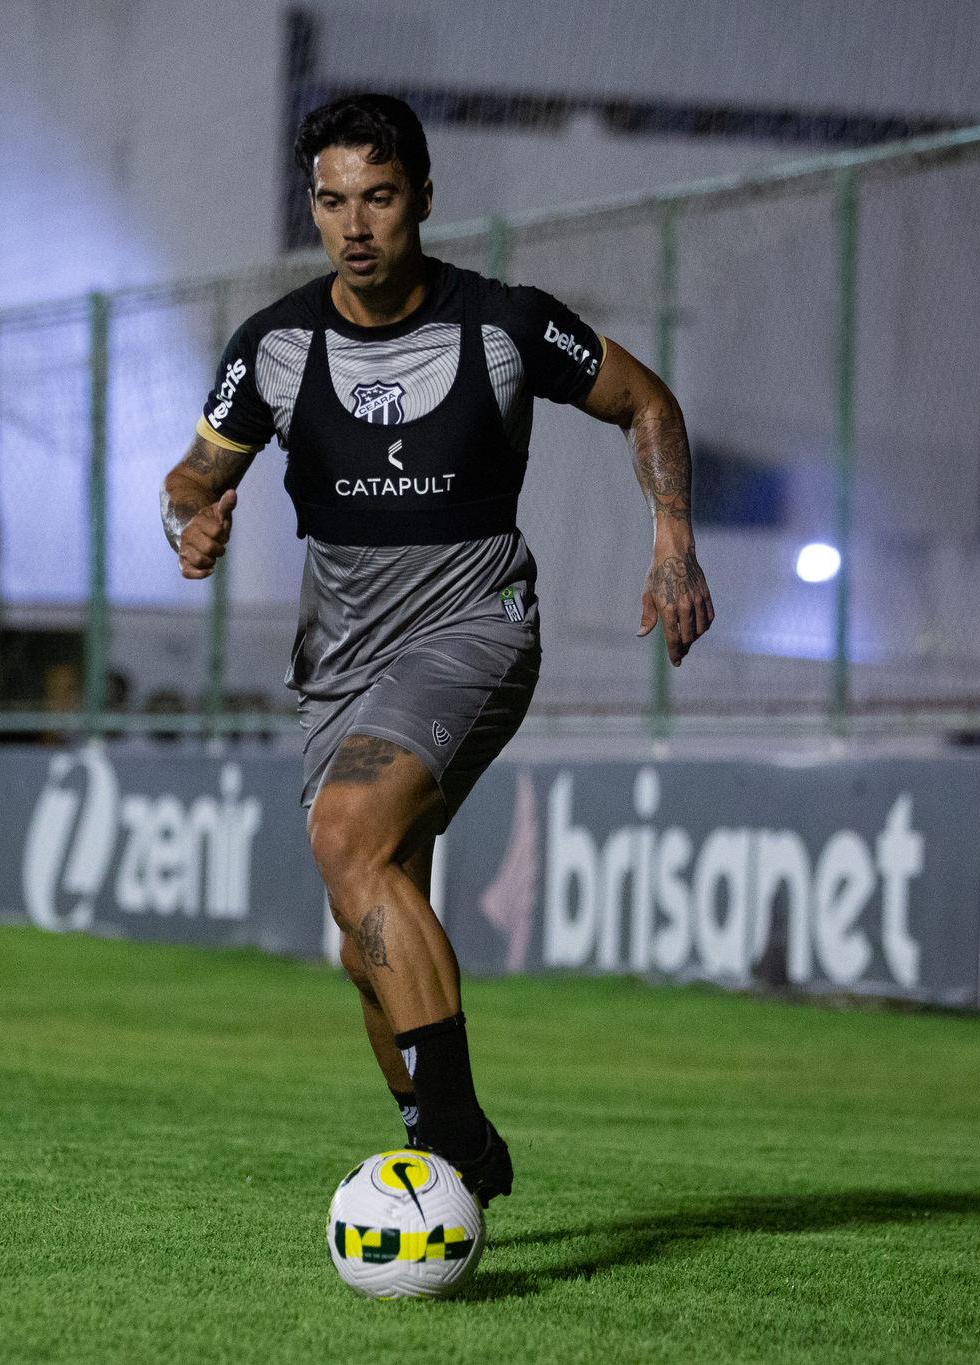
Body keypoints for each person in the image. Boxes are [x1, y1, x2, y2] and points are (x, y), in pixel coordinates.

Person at [160, 93, 713, 1204]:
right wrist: (189, 521)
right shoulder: (273, 346)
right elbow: (191, 476)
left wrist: (672, 537)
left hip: (472, 625)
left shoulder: (503, 325)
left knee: (344, 834)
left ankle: (455, 1135)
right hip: (340, 661)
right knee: (365, 929)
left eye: (378, 198)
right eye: (331, 202)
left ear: (420, 197)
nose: (354, 225)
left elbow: (645, 402)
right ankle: (444, 1163)